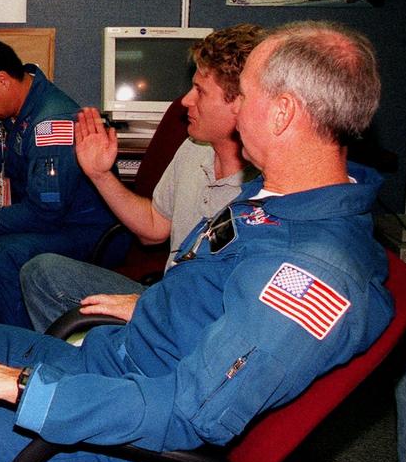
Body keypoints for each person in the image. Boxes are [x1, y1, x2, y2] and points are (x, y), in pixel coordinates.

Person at [0, 21, 392, 462]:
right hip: (110, 367)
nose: (194, 104)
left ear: (282, 113)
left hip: (131, 446)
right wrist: (150, 304)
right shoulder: (276, 199)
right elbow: (205, 286)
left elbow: (186, 413)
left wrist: (16, 385)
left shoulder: (311, 270)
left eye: (243, 92)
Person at [21, 24, 266, 331]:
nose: (186, 101)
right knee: (41, 272)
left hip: (205, 321)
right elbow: (153, 228)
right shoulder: (194, 147)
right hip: (165, 297)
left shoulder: (269, 183)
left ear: (240, 102)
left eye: (199, 91)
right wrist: (100, 175)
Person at [0, 34, 114, 325]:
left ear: (1, 80)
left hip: (78, 229)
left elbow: (45, 211)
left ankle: (22, 350)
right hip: (36, 219)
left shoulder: (53, 123)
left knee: (4, 255)